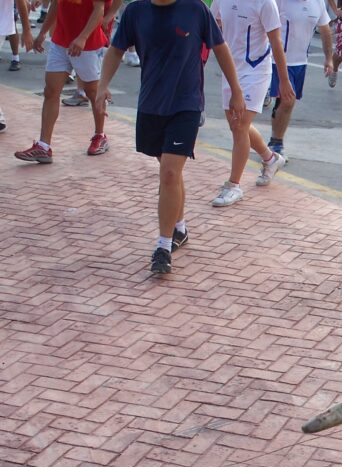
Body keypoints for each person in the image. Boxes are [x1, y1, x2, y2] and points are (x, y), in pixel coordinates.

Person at [96, 0, 246, 274]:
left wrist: (236, 90)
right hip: (151, 105)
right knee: (169, 172)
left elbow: (221, 48)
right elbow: (116, 50)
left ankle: (163, 247)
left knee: (169, 172)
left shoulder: (195, 9)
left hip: (186, 104)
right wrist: (102, 86)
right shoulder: (135, 12)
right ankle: (179, 228)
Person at [210, 0, 294, 207]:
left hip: (255, 69)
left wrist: (283, 80)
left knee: (239, 125)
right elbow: (211, 25)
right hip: (230, 69)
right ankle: (270, 159)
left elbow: (276, 41)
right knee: (237, 125)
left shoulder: (265, 3)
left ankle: (233, 186)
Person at [14, 0, 111, 163]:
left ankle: (100, 135)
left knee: (93, 92)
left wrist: (82, 37)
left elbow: (99, 10)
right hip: (60, 42)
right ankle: (43, 146)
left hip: (88, 45)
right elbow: (56, 5)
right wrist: (43, 32)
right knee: (50, 91)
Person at [265, 0, 333, 160]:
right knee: (288, 100)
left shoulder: (317, 3)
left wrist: (329, 58)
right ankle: (275, 143)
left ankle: (277, 141)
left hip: (300, 62)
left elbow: (325, 31)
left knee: (286, 103)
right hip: (278, 60)